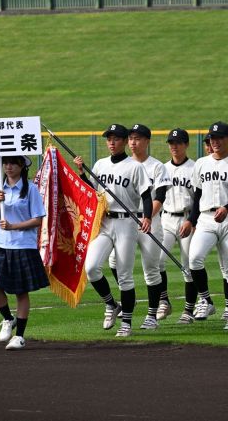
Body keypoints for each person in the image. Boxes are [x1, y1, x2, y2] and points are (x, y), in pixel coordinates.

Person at [74, 124, 153, 337]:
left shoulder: (135, 167)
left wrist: (147, 216)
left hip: (127, 223)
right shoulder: (100, 165)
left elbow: (146, 194)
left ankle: (126, 322)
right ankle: (111, 304)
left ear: (125, 141)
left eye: (116, 138)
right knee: (91, 268)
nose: (111, 142)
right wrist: (82, 173)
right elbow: (91, 191)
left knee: (125, 275)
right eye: (109, 138)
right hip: (105, 222)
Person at [180, 121, 228, 330]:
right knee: (194, 259)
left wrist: (227, 206)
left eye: (220, 138)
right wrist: (190, 220)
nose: (215, 141)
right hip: (206, 218)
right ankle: (206, 300)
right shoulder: (202, 163)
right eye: (212, 138)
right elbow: (197, 196)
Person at [0, 155, 49, 350]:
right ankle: (7, 318)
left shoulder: (31, 189)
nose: (8, 166)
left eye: (13, 163)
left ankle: (19, 336)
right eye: (5, 162)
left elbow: (38, 219)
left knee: (21, 291)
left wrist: (13, 226)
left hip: (22, 245)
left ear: (22, 166)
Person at [124, 123, 173, 328]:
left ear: (147, 141)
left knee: (151, 270)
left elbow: (159, 197)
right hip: (124, 223)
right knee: (115, 264)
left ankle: (152, 315)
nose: (133, 143)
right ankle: (127, 302)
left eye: (138, 138)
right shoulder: (123, 165)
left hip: (150, 222)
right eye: (130, 138)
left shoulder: (156, 166)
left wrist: (146, 217)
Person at [158, 128, 202, 324]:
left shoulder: (195, 168)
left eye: (178, 143)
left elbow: (199, 199)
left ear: (186, 145)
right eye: (171, 143)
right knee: (157, 260)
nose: (174, 146)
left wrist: (191, 221)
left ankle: (189, 310)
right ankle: (164, 301)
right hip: (166, 219)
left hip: (187, 219)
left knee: (188, 266)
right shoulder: (162, 168)